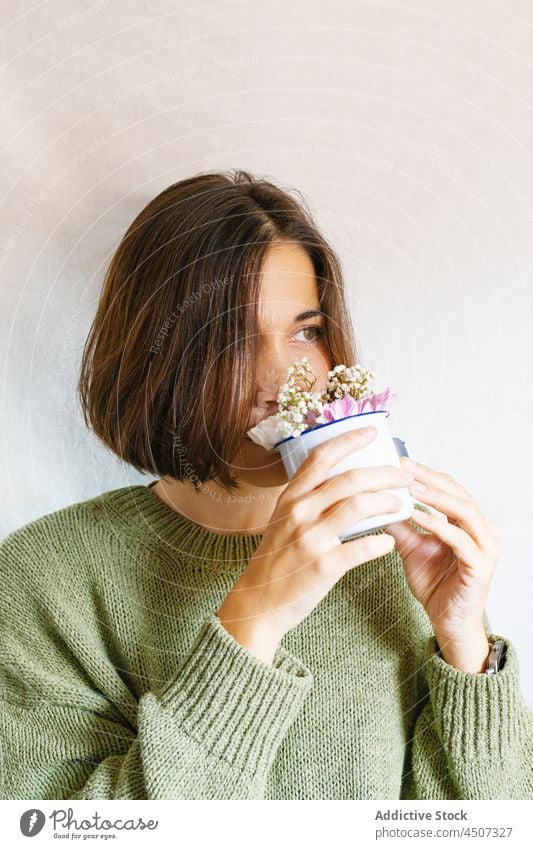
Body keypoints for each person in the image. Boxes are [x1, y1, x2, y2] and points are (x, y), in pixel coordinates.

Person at [0, 169, 531, 801]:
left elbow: (481, 834)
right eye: (234, 340)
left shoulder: (395, 557)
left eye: (307, 331)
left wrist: (464, 648)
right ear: (156, 356)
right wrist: (255, 619)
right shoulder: (43, 582)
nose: (288, 377)